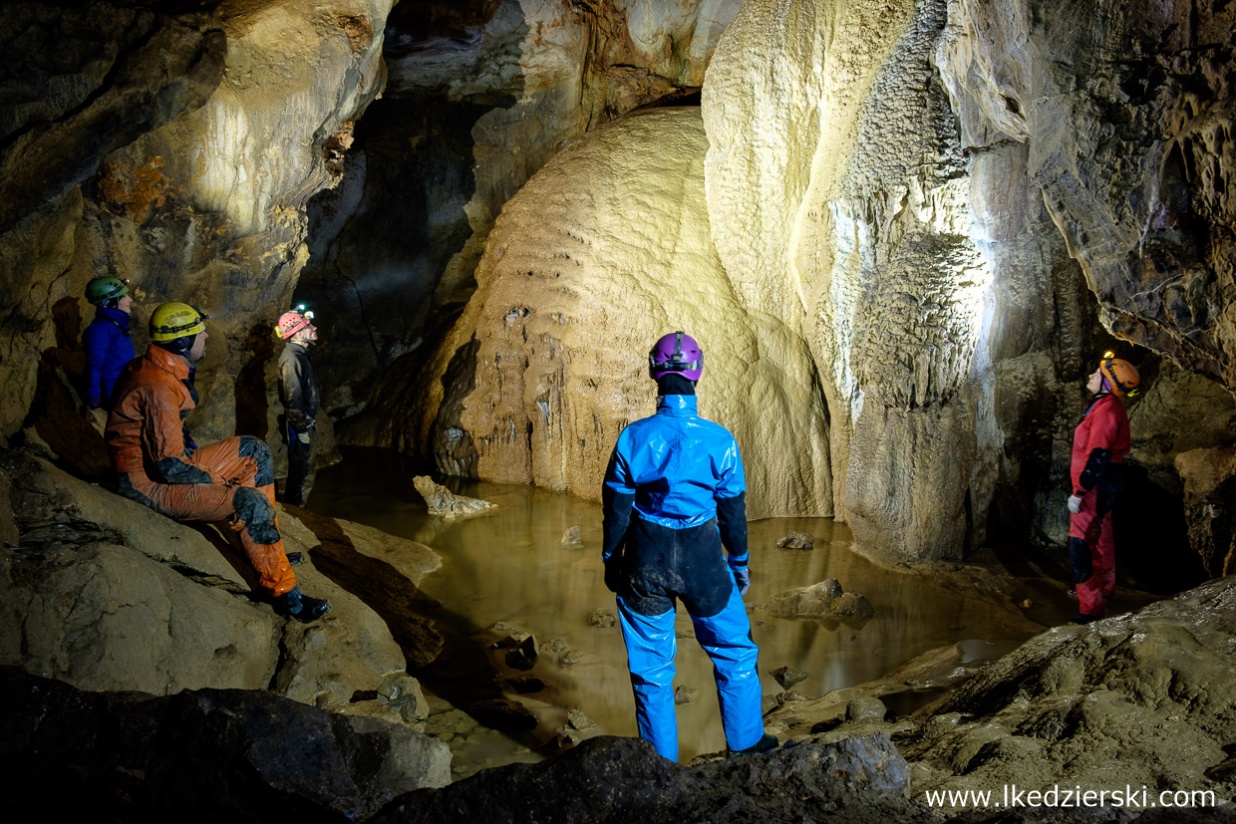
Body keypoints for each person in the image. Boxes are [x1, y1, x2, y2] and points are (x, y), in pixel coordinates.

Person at [601, 330, 777, 761]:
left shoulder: (632, 438)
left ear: (653, 372)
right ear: (697, 373)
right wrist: (739, 564)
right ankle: (747, 748)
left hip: (646, 557)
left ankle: (660, 767)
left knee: (651, 670)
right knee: (734, 652)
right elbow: (732, 514)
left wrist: (610, 560)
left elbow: (616, 511)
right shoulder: (720, 441)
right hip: (704, 561)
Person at [106, 301, 330, 622]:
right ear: (183, 342)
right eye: (200, 332)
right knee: (250, 502)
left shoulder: (159, 369)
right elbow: (169, 466)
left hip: (159, 464)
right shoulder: (158, 387)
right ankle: (284, 594)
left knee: (254, 450)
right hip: (145, 483)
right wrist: (217, 482)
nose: (207, 336)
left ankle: (268, 549)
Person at [1067, 351, 1140, 624]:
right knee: (1101, 536)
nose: (1091, 376)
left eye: (1097, 374)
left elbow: (1098, 454)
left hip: (1095, 486)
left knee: (1081, 544)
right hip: (1104, 483)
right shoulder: (1103, 406)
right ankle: (1105, 587)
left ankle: (1090, 609)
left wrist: (1079, 492)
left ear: (1108, 383)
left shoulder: (1107, 410)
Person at [274, 305, 320, 506]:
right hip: (298, 428)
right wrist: (301, 431)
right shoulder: (291, 359)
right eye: (309, 325)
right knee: (300, 475)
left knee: (305, 473)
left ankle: (299, 511)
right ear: (299, 333)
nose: (314, 327)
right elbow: (292, 398)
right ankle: (295, 512)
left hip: (305, 424)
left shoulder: (300, 355)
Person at [82, 276, 135, 410]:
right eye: (123, 296)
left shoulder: (116, 325)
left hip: (123, 390)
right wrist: (94, 393)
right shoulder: (101, 329)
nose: (130, 299)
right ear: (111, 301)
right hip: (113, 394)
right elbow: (95, 363)